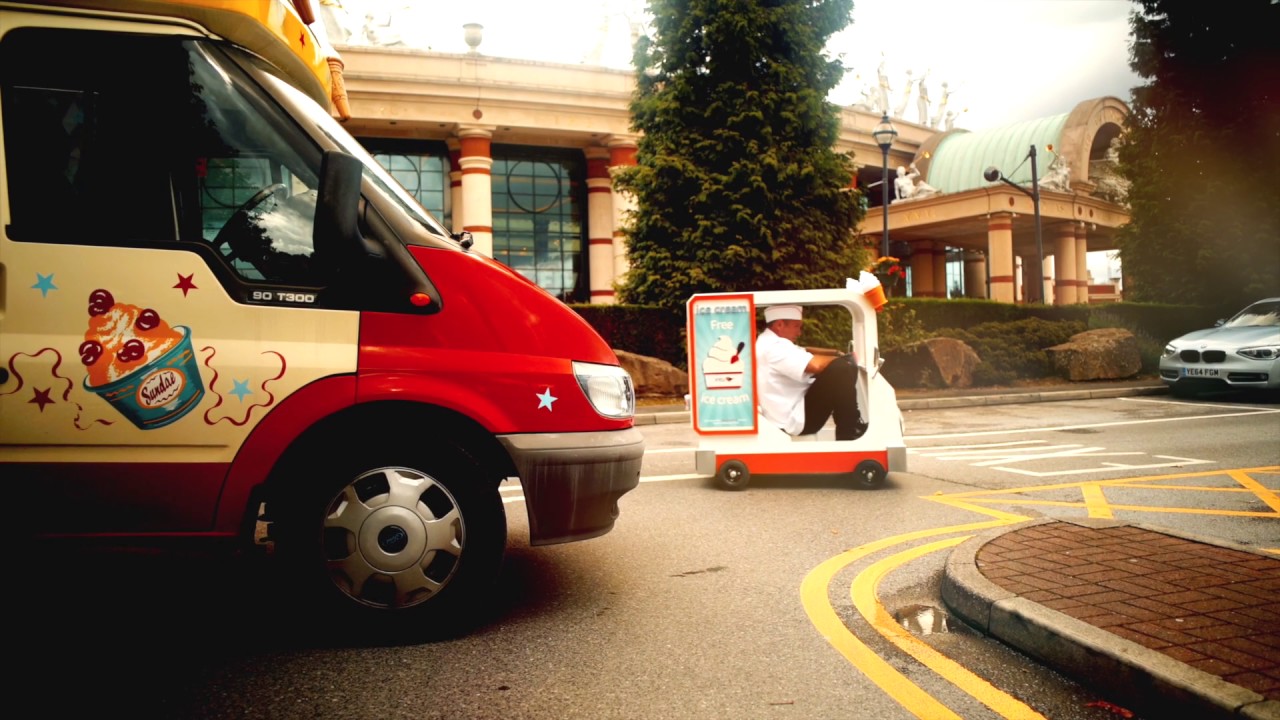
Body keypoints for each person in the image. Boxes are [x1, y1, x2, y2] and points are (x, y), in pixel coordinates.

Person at [755, 305, 866, 441]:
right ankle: (850, 430)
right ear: (779, 325)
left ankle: (850, 425)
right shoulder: (774, 347)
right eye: (797, 326)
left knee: (841, 364)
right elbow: (815, 365)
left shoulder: (767, 341)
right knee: (842, 368)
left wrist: (836, 352)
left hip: (790, 412)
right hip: (794, 420)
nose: (799, 332)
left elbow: (804, 350)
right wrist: (844, 359)